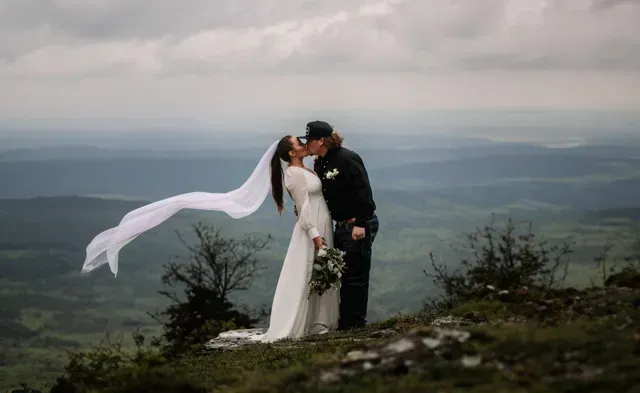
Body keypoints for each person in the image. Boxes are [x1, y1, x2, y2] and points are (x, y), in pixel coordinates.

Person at [80, 134, 339, 342]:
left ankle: (316, 323)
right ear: (292, 153)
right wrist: (315, 235)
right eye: (299, 143)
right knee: (308, 273)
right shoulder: (293, 174)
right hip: (312, 230)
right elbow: (303, 209)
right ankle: (305, 324)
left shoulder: (304, 168)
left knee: (314, 273)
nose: (304, 144)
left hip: (320, 223)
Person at [302, 120, 379, 331]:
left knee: (356, 276)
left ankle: (354, 325)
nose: (306, 143)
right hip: (342, 226)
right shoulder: (320, 162)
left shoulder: (348, 159)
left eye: (309, 140)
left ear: (321, 141)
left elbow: (364, 193)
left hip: (358, 224)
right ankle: (345, 323)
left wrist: (361, 224)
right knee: (344, 274)